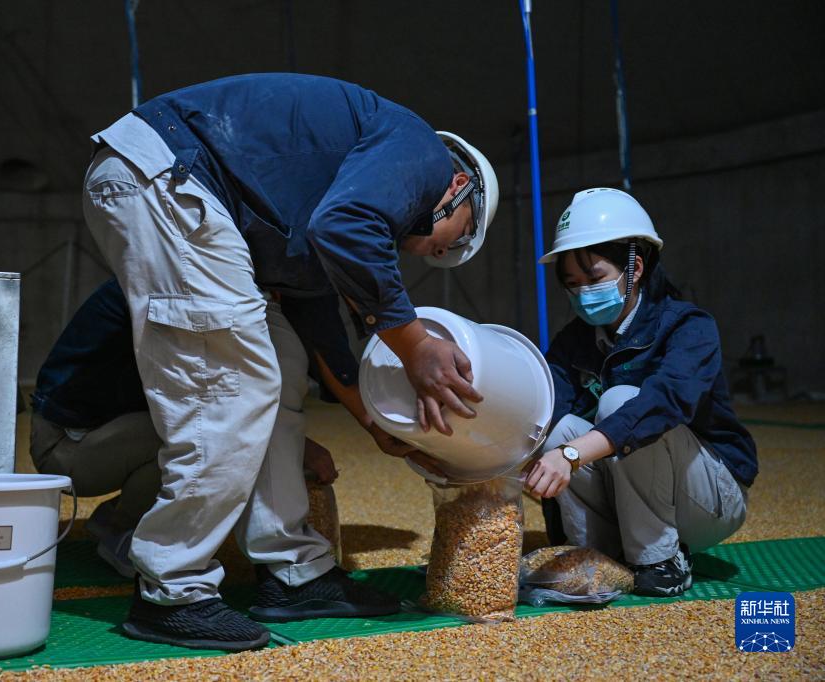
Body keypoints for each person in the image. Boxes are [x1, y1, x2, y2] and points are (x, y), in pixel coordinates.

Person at [81, 73, 498, 650]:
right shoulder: (419, 149)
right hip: (165, 177)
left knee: (278, 356)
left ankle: (295, 572)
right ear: (459, 186)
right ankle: (171, 588)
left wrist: (374, 423)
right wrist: (416, 344)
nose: (434, 251)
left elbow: (318, 321)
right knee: (229, 383)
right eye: (454, 239)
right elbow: (348, 227)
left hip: (180, 187)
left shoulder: (318, 204)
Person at [524, 188, 757, 597]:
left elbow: (662, 403)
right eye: (572, 284)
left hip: (708, 497)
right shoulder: (573, 342)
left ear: (635, 266)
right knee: (557, 431)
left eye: (594, 278)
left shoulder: (688, 327)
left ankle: (660, 560)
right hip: (628, 494)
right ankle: (592, 556)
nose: (582, 293)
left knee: (621, 404)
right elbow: (544, 406)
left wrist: (573, 455)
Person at [30, 278, 339, 579]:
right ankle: (126, 532)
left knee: (208, 428)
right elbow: (202, 400)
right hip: (66, 445)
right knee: (203, 433)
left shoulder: (178, 281)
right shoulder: (168, 292)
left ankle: (118, 516)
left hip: (106, 431)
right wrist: (298, 445)